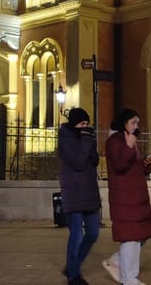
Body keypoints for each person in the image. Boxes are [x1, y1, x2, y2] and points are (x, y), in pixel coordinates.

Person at [103, 108, 151, 285]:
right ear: (123, 122)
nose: (136, 125)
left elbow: (132, 167)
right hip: (124, 198)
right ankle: (129, 278)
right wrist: (128, 146)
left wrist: (145, 163)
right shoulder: (115, 141)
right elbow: (119, 165)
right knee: (131, 238)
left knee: (140, 235)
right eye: (133, 122)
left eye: (137, 122)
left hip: (135, 197)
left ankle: (117, 263)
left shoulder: (129, 140)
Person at [58, 107, 101, 285]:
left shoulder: (86, 138)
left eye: (87, 124)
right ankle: (73, 276)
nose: (85, 127)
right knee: (76, 235)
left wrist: (89, 141)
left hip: (89, 193)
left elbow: (95, 160)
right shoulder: (65, 139)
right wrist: (85, 139)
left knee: (93, 233)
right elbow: (78, 162)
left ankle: (71, 266)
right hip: (73, 193)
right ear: (74, 124)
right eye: (82, 124)